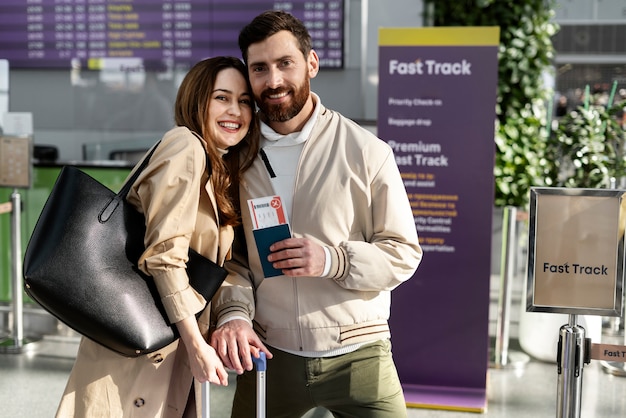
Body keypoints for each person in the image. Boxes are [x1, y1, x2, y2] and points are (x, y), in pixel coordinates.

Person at [210, 10, 423, 418]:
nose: (273, 81)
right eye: (259, 69)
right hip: (269, 356)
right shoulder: (235, 159)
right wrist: (234, 313)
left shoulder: (367, 152)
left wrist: (333, 259)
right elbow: (232, 259)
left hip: (360, 356)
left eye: (284, 63)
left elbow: (403, 253)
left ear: (311, 63)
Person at [55, 56, 260, 417]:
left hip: (162, 346)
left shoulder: (218, 167)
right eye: (222, 97)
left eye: (245, 101)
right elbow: (165, 255)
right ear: (197, 100)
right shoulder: (186, 146)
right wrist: (197, 346)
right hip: (140, 355)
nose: (235, 110)